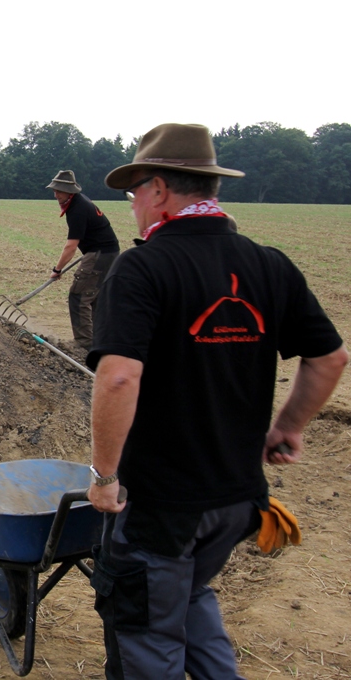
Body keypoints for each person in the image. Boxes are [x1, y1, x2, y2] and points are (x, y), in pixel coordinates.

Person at [86, 123, 348, 679]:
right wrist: (289, 427)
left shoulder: (144, 266)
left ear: (158, 190)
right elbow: (330, 359)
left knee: (147, 633)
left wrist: (105, 476)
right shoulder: (269, 264)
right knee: (189, 596)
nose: (133, 205)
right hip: (236, 499)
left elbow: (117, 380)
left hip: (162, 504)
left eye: (135, 191)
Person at [46, 170, 119, 351]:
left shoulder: (77, 209)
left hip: (99, 254)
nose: (56, 195)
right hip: (108, 253)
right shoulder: (79, 202)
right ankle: (99, 341)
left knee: (79, 296)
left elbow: (71, 246)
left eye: (59, 191)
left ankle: (84, 343)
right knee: (93, 298)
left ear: (70, 191)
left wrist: (57, 269)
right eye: (54, 191)